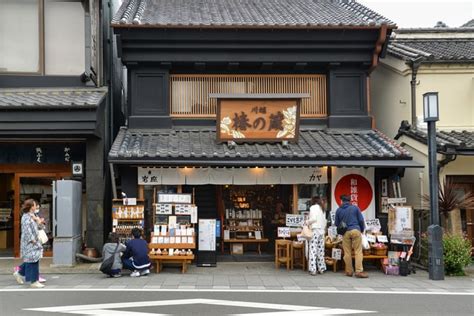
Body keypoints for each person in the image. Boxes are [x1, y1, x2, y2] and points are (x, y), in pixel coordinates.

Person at [335, 194, 368, 278]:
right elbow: (361, 220)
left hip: (345, 232)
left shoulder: (338, 210)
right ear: (349, 201)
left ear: (341, 201)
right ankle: (359, 271)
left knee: (347, 252)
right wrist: (361, 229)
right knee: (358, 251)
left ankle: (349, 271)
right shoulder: (355, 208)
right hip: (356, 230)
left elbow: (336, 224)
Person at [14, 199, 44, 288]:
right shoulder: (26, 217)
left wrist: (39, 221)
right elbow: (27, 231)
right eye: (35, 205)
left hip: (35, 241)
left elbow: (41, 227)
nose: (36, 207)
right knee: (33, 261)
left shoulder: (33, 216)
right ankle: (34, 281)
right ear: (31, 207)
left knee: (32, 260)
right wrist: (33, 241)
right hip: (30, 243)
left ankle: (19, 273)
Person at [306, 196, 327, 275]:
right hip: (321, 231)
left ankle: (313, 269)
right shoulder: (322, 208)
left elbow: (313, 219)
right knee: (320, 250)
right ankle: (321, 268)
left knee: (313, 249)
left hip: (315, 230)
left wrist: (307, 222)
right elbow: (324, 221)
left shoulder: (313, 207)